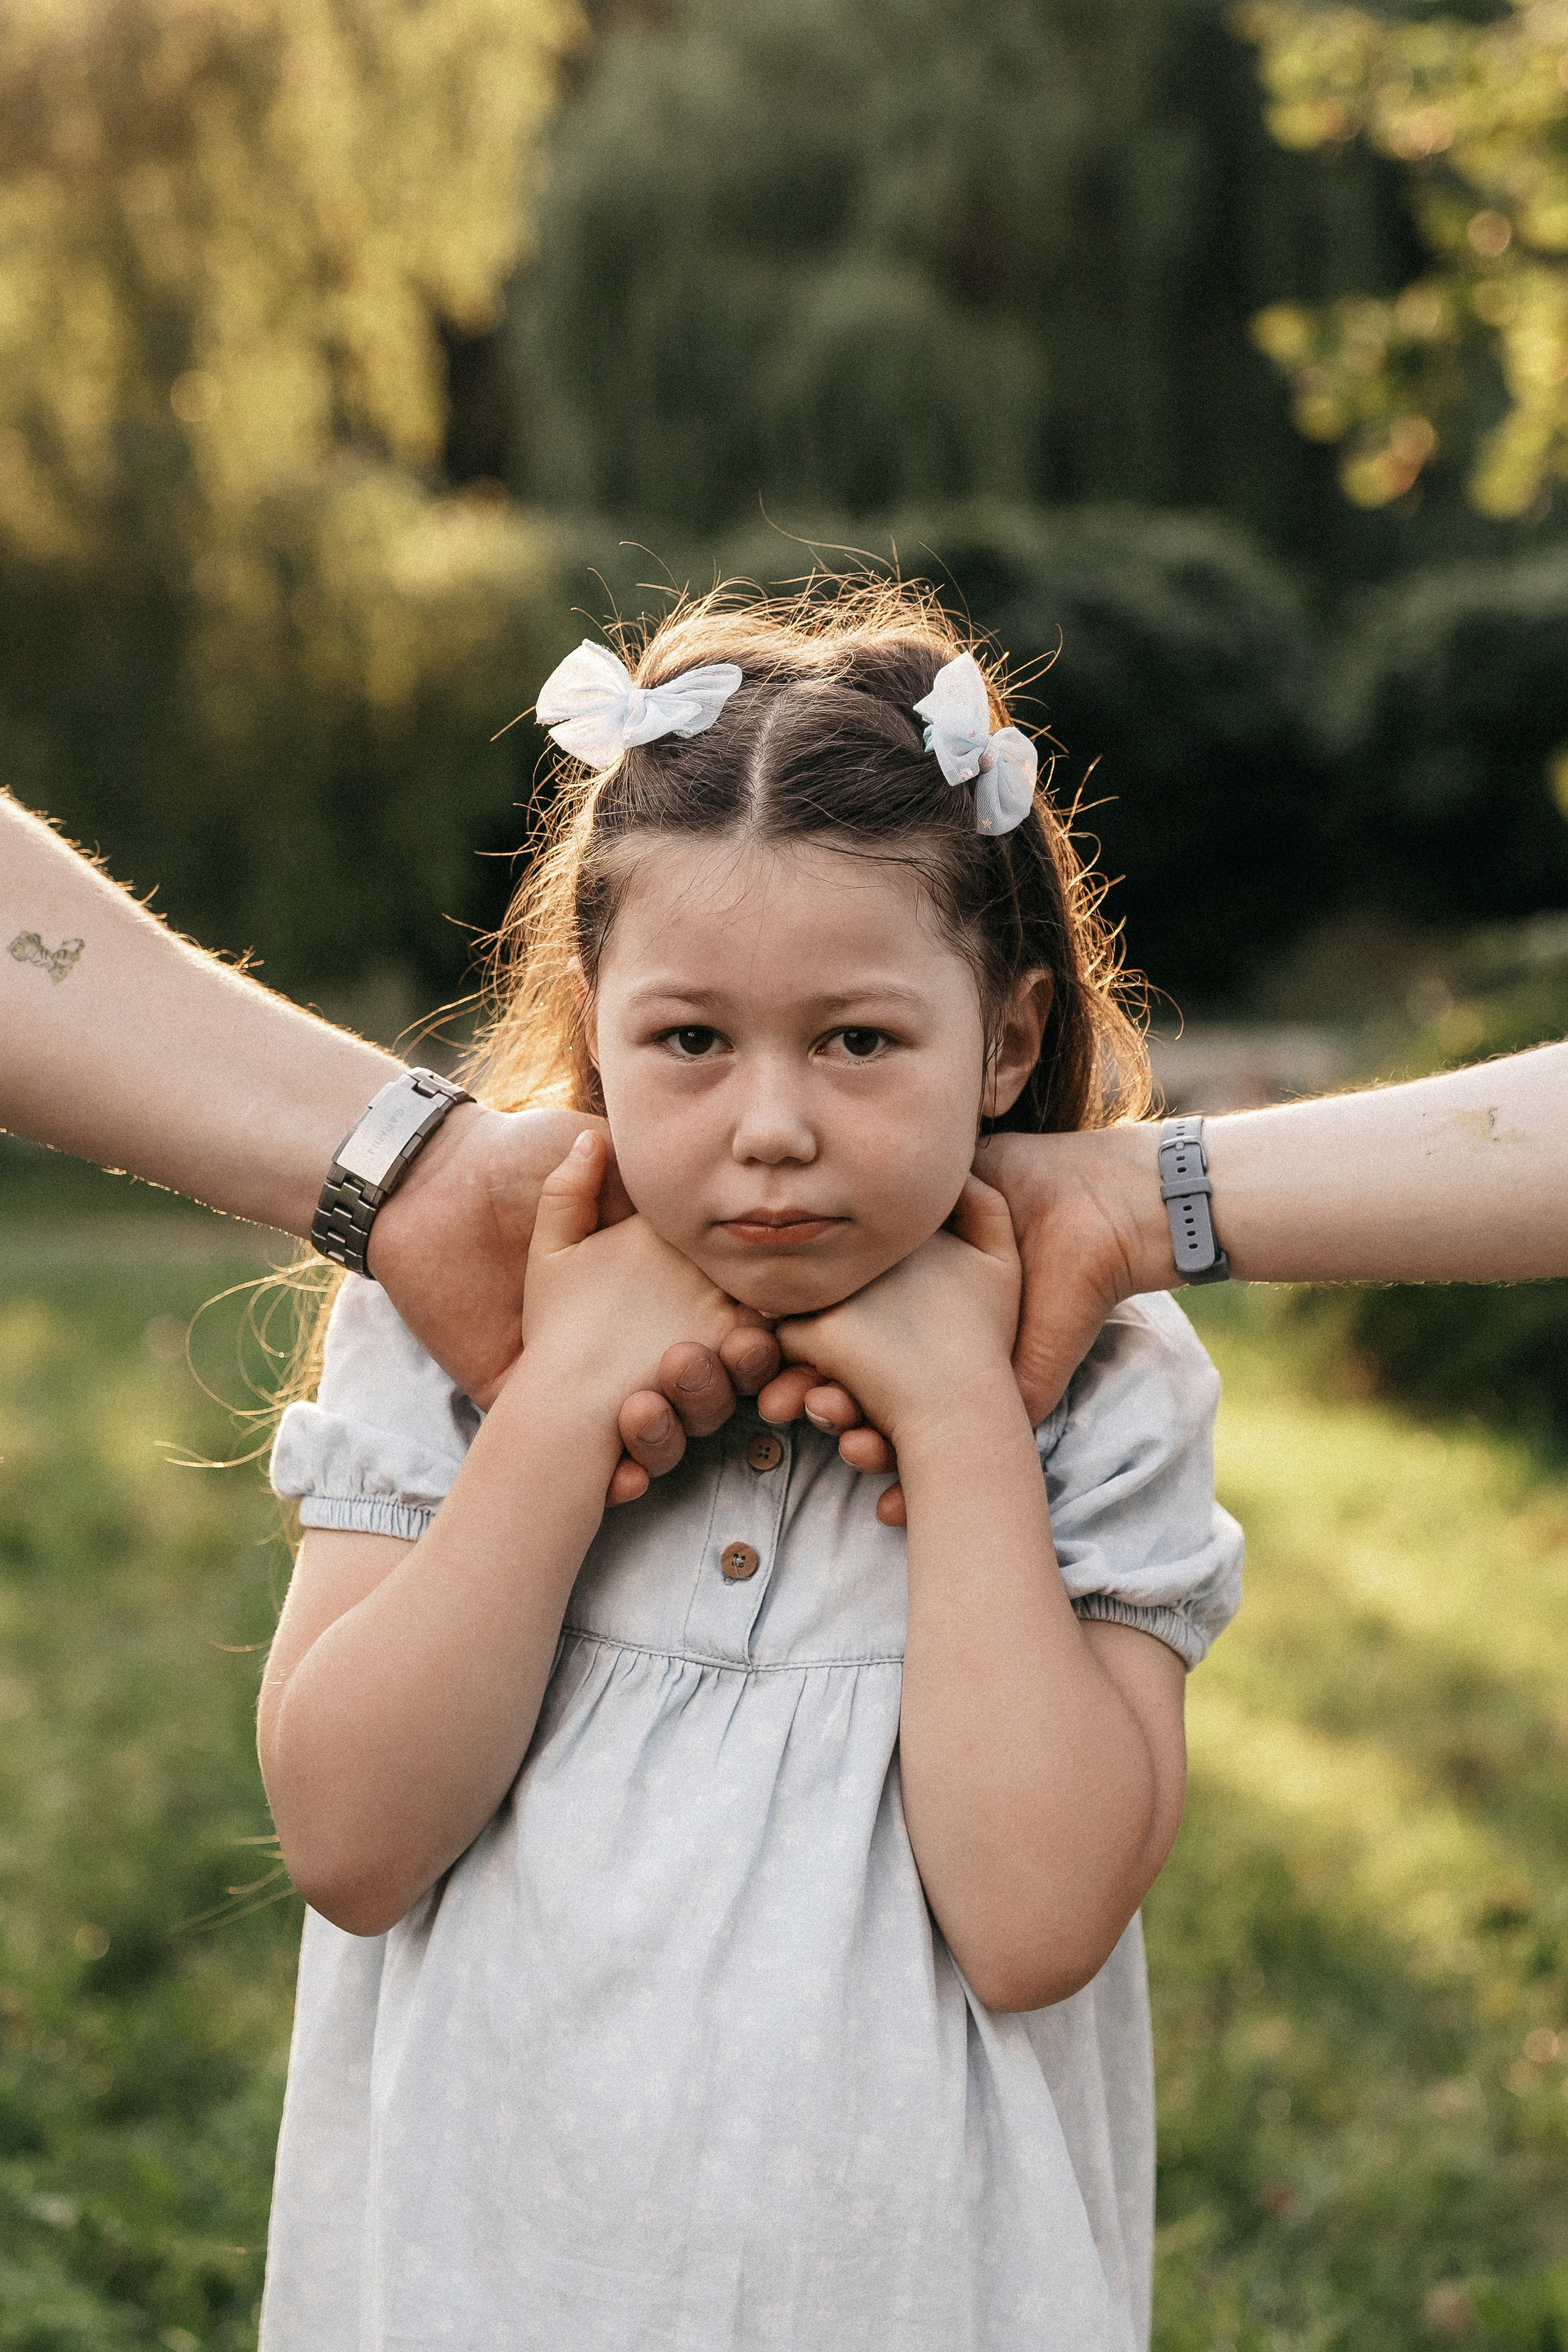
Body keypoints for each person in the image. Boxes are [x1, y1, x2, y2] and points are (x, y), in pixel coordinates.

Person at [254, 586, 1243, 2351]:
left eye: (859, 1042)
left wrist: (958, 1421)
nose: (772, 1124)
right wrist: (560, 1409)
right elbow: (349, 1837)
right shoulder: (446, 1323)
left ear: (1007, 1040)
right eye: (691, 1042)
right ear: (598, 1017)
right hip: (487, 2289)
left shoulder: (1101, 1392)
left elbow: (1033, 1923)